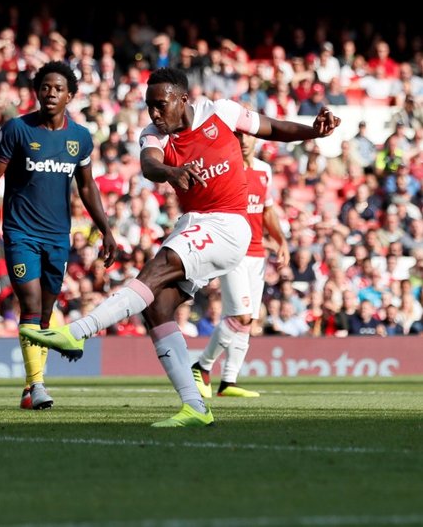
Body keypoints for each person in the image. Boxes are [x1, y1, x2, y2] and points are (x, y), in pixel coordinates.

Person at [22, 67, 338, 427]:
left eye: (161, 105)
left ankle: (76, 333)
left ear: (183, 99)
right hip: (193, 223)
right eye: (149, 107)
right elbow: (149, 164)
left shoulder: (221, 111)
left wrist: (314, 131)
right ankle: (195, 407)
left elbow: (273, 127)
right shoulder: (153, 134)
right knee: (157, 308)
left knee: (153, 272)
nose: (155, 114)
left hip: (228, 224)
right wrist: (171, 172)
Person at [0, 61, 116, 411]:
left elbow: (88, 186)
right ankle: (38, 385)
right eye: (45, 87)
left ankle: (29, 388)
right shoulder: (17, 130)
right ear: (37, 91)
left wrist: (105, 228)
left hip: (57, 236)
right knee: (30, 303)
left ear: (70, 96)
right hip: (20, 233)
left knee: (45, 313)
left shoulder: (79, 137)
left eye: (58, 89)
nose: (50, 93)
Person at [191, 131, 289, 399]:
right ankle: (201, 366)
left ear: (257, 139)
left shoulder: (264, 170)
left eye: (249, 135)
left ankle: (228, 382)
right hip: (233, 250)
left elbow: (267, 210)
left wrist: (281, 241)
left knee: (247, 321)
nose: (244, 140)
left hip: (257, 253)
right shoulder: (224, 169)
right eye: (239, 135)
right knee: (240, 316)